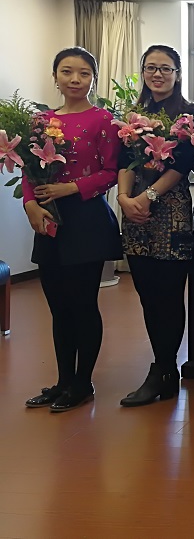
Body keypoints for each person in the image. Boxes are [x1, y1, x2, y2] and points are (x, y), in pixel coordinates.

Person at [23, 47, 121, 412]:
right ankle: (63, 381)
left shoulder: (103, 120)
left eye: (83, 73)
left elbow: (110, 172)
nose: (75, 80)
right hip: (48, 220)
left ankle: (82, 383)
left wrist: (70, 188)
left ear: (93, 79)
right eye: (67, 72)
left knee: (82, 304)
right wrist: (30, 205)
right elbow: (29, 169)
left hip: (86, 220)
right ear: (55, 76)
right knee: (58, 306)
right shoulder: (40, 121)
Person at [117, 45, 194, 407]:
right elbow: (124, 161)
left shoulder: (190, 114)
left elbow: (182, 164)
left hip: (171, 212)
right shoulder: (132, 115)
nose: (158, 74)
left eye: (165, 68)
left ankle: (164, 370)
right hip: (135, 212)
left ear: (177, 74)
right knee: (147, 294)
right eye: (151, 68)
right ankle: (162, 368)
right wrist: (124, 198)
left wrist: (147, 196)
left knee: (168, 294)